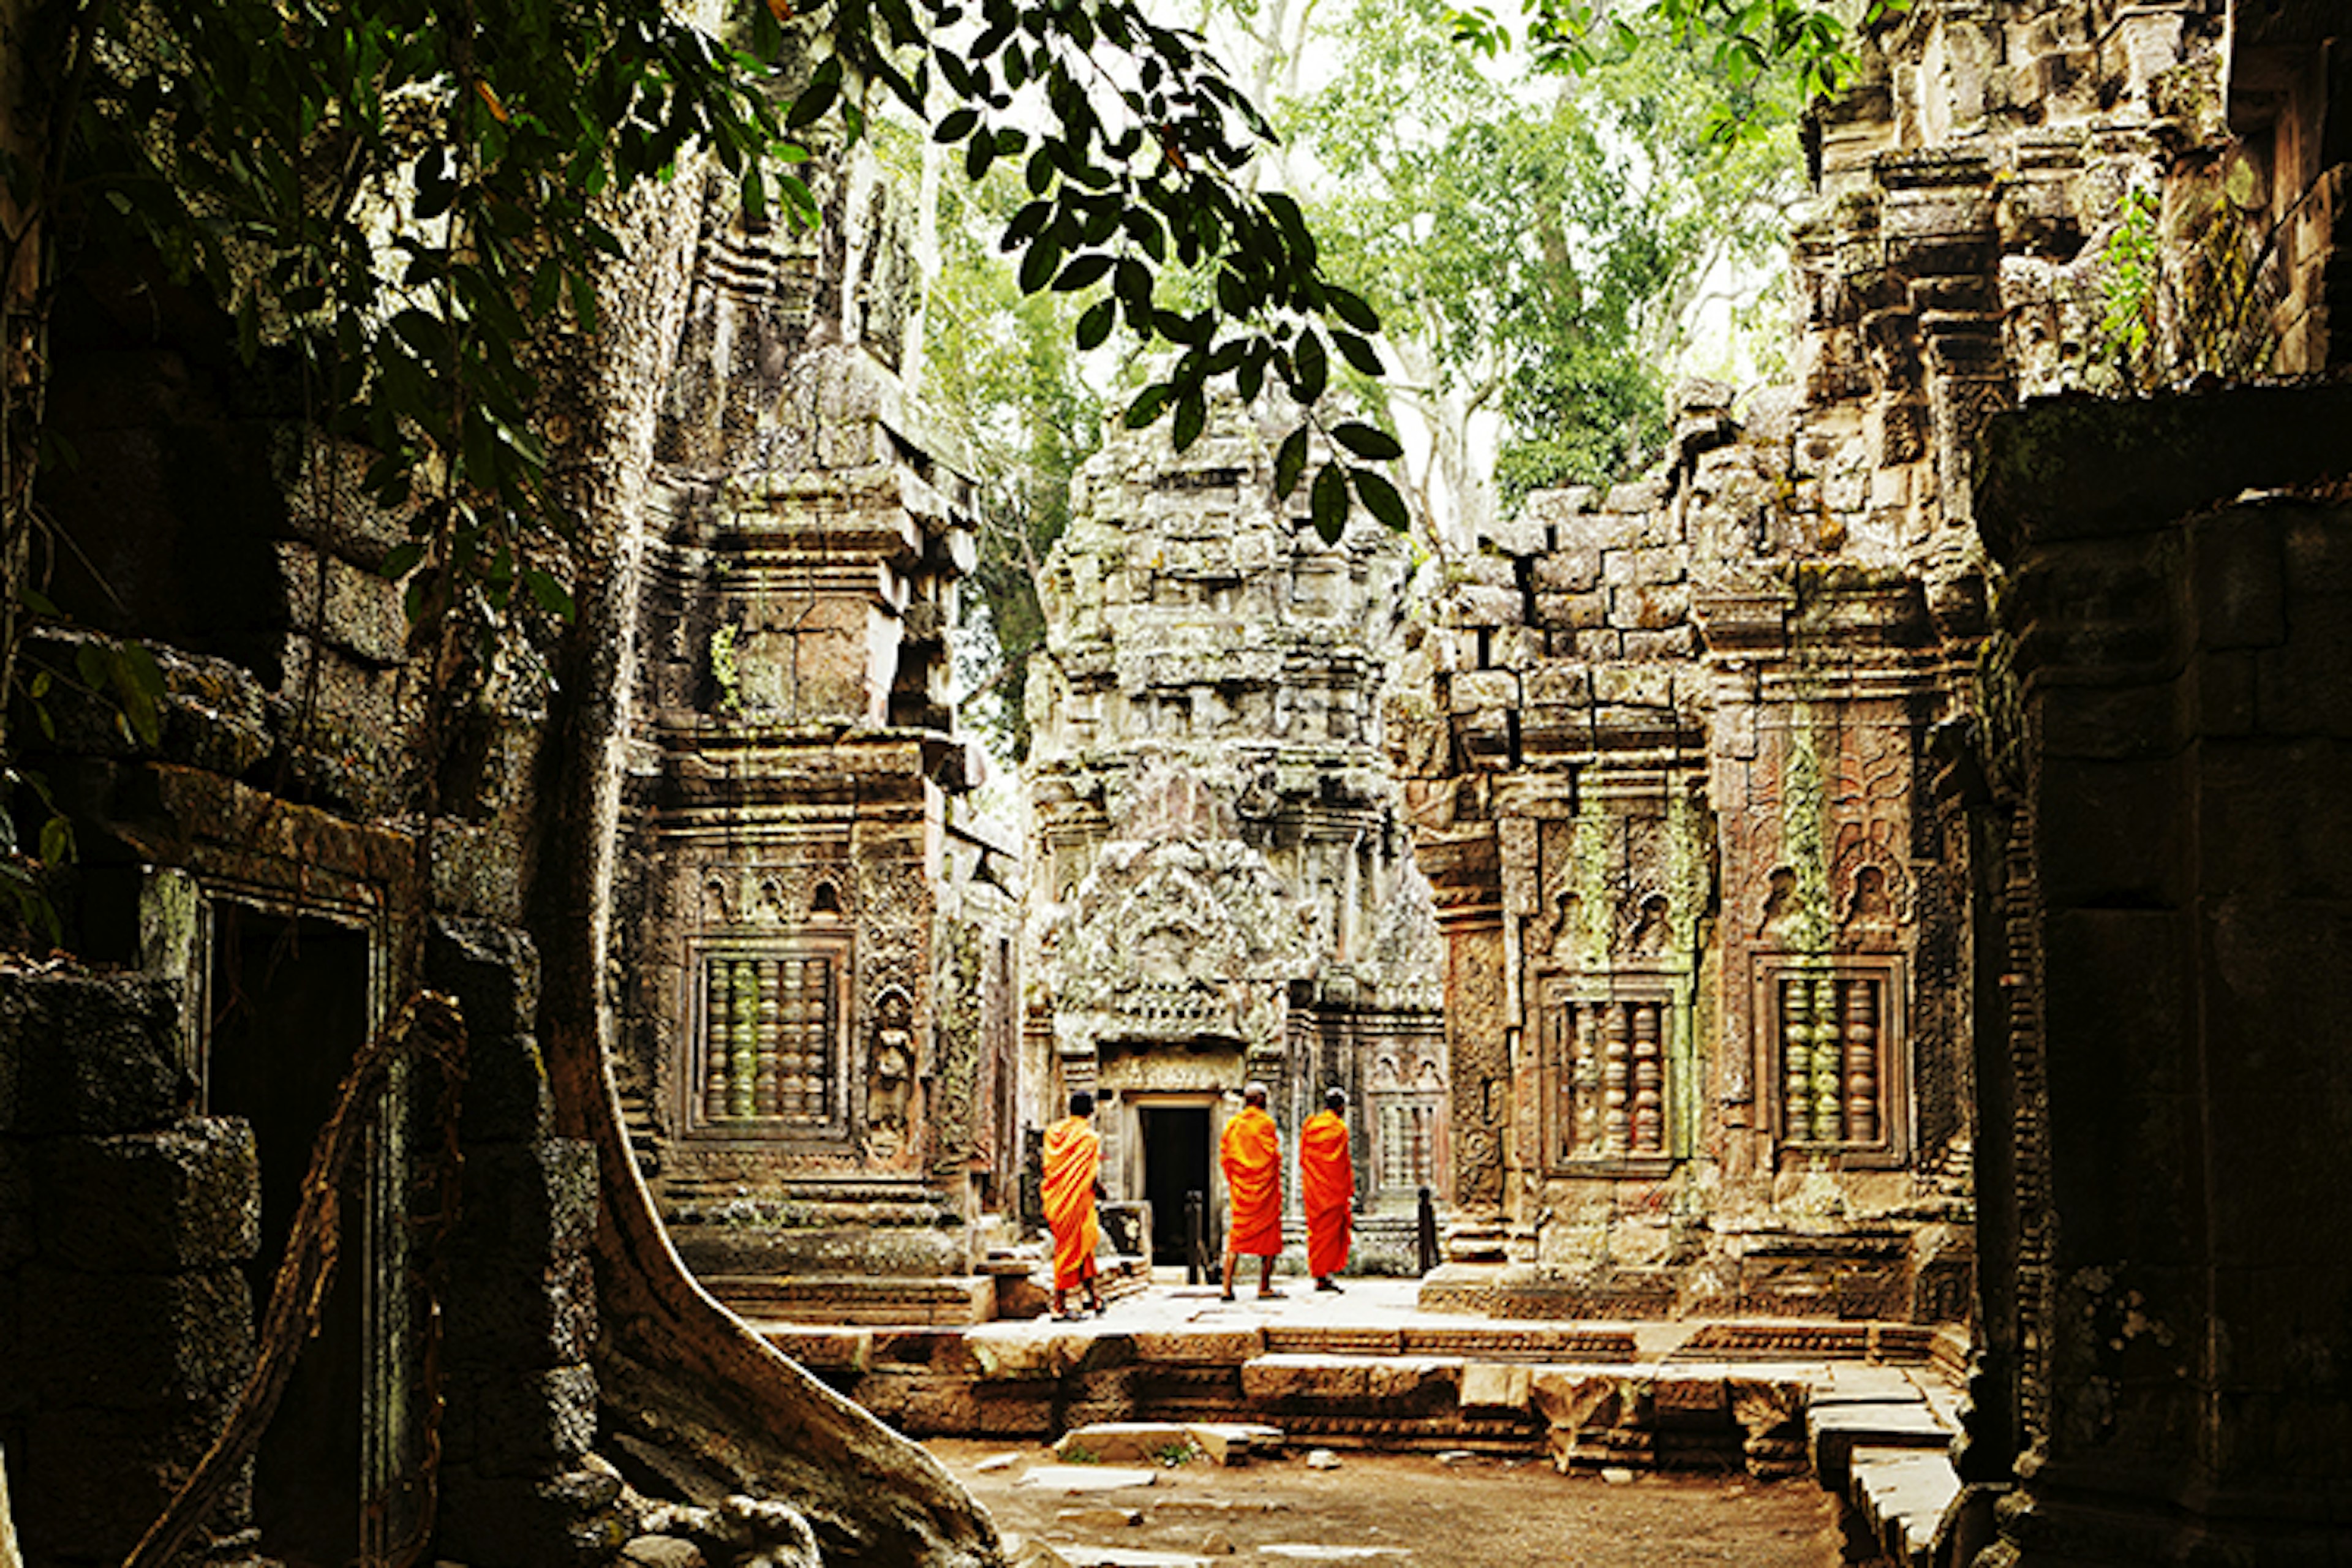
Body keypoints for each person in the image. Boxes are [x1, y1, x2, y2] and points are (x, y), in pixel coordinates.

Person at [1042, 1090, 1107, 1320]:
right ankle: (1058, 1305)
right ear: (1091, 1112)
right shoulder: (1089, 1138)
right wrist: (1101, 1191)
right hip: (1076, 1201)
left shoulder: (1053, 1133)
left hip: (1059, 1199)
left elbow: (1052, 1167)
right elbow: (1090, 1174)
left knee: (1084, 1249)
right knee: (1069, 1251)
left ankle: (1093, 1297)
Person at [1219, 1081, 1284, 1300]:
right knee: (1270, 1240)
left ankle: (1227, 1288)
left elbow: (1226, 1158)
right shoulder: (1265, 1123)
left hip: (1243, 1191)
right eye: (1264, 1097)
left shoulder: (1234, 1125)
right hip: (1264, 1192)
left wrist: (1236, 1181)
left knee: (1236, 1239)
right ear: (1260, 1099)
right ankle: (1264, 1286)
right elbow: (1273, 1156)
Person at [1299, 1086, 1354, 1292]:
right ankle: (1324, 1275)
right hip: (1332, 1190)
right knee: (1329, 1235)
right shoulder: (1339, 1129)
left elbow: (1304, 1158)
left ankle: (1322, 1275)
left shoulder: (1311, 1125)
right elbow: (1342, 1163)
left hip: (1315, 1189)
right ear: (1340, 1108)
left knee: (1318, 1233)